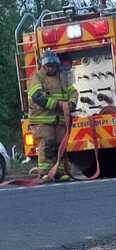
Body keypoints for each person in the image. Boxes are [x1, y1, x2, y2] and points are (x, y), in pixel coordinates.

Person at [28, 49, 78, 182]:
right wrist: (59, 105)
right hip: (42, 120)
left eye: (53, 66)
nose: (51, 68)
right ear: (43, 66)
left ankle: (59, 172)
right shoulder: (37, 77)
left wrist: (71, 104)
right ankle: (44, 172)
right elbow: (37, 97)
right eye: (48, 66)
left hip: (59, 120)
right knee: (47, 144)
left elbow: (73, 92)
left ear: (57, 65)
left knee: (60, 145)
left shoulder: (62, 78)